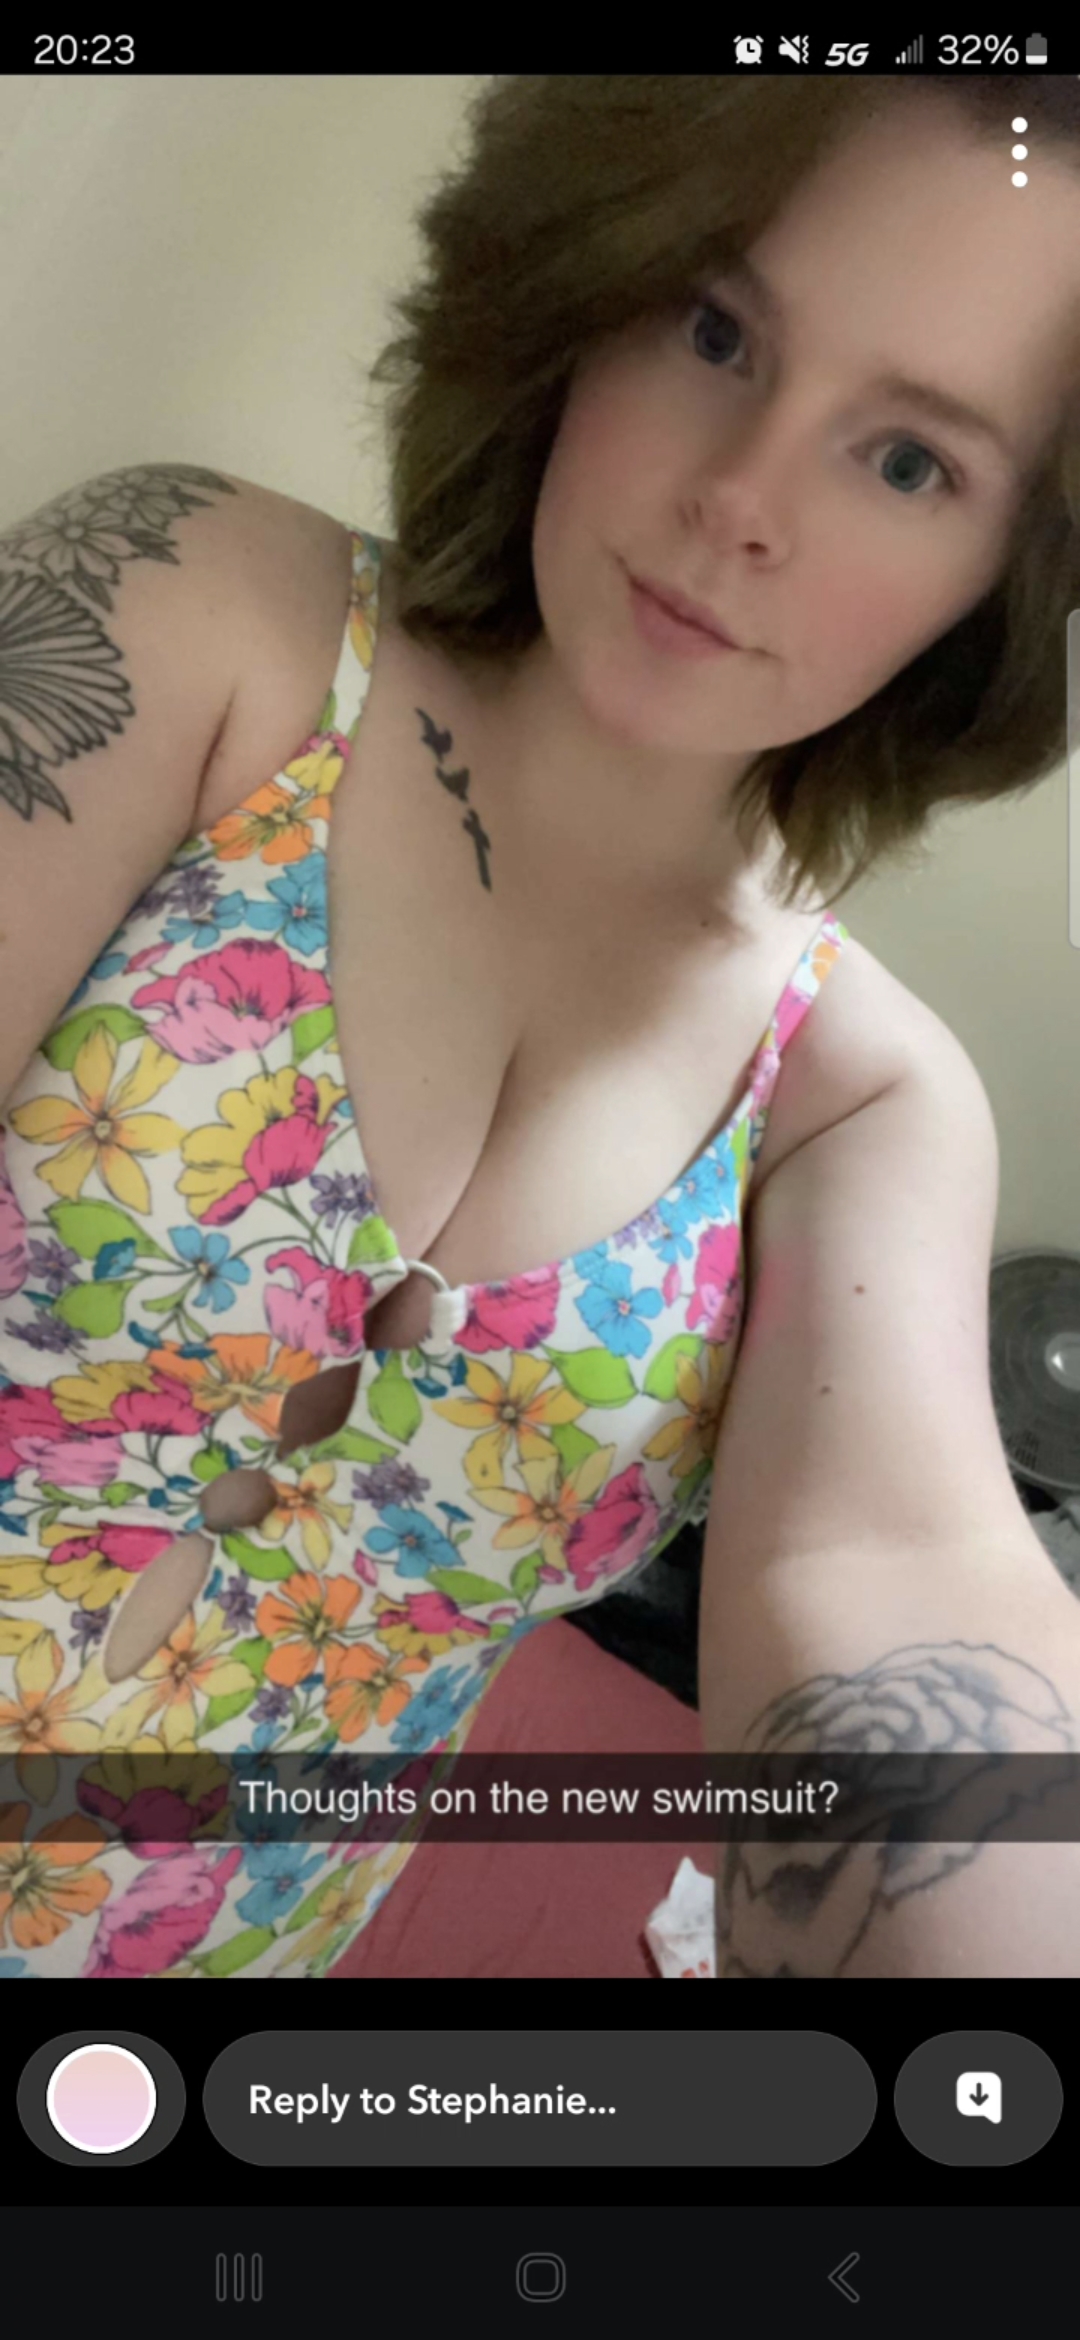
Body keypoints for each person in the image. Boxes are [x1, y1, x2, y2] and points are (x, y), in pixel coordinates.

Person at [2, 74, 1080, 1978]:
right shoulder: (194, 615)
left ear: (1013, 576)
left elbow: (897, 1582)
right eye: (717, 330)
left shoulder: (863, 1102)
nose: (738, 499)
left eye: (910, 461)